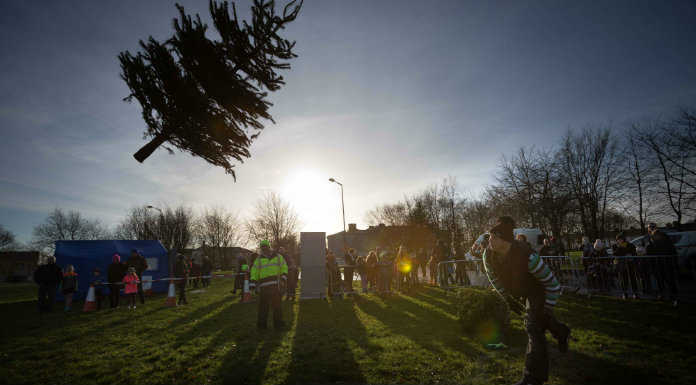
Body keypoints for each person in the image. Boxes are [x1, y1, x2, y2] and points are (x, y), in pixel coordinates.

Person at [483, 216, 570, 385]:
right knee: (538, 320)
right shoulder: (488, 255)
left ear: (505, 240)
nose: (489, 240)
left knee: (533, 325)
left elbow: (552, 283)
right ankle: (562, 332)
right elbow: (493, 278)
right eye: (489, 236)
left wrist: (548, 308)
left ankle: (533, 378)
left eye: (494, 237)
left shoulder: (528, 257)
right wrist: (507, 298)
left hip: (538, 289)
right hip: (520, 291)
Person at [250, 240, 288, 330]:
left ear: (269, 246)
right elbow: (254, 272)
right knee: (263, 309)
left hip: (275, 287)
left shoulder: (279, 257)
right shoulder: (258, 260)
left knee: (277, 308)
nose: (263, 248)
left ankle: (278, 325)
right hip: (263, 288)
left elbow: (284, 268)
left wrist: (283, 277)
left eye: (265, 246)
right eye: (262, 247)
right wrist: (252, 283)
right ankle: (261, 326)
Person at [645, 222, 678, 302]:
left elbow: (671, 248)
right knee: (659, 280)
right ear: (648, 228)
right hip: (656, 264)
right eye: (650, 226)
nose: (651, 227)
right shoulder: (648, 238)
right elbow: (648, 250)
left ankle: (673, 296)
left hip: (666, 262)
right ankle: (661, 294)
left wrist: (674, 261)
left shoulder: (664, 235)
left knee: (670, 280)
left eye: (653, 226)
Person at [612, 232, 639, 300]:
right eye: (618, 239)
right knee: (623, 280)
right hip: (621, 266)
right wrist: (620, 247)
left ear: (624, 239)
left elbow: (634, 253)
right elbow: (615, 254)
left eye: (621, 239)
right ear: (617, 240)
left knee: (632, 279)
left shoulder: (630, 245)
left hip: (630, 264)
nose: (620, 240)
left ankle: (635, 293)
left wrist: (630, 255)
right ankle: (625, 293)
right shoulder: (615, 246)